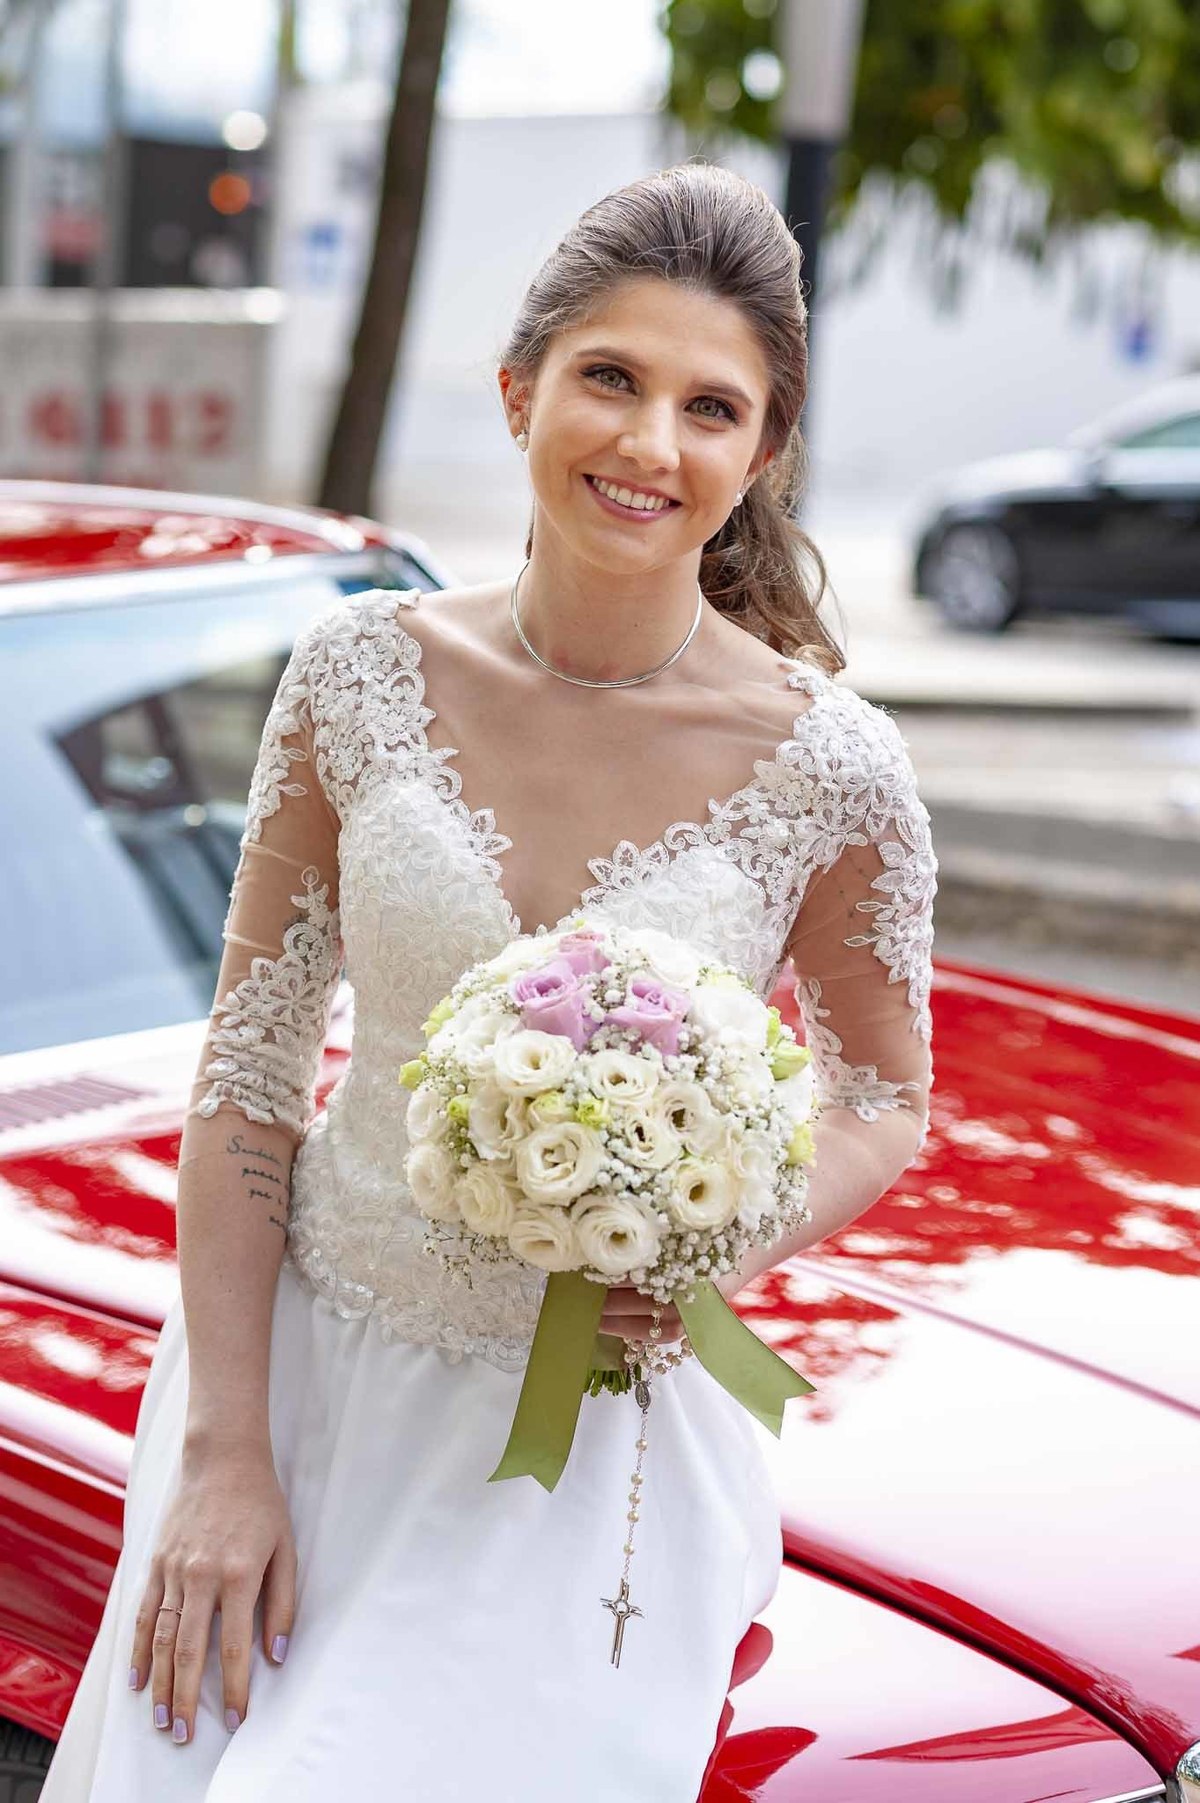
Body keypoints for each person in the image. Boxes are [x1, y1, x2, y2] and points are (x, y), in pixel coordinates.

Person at [41, 160, 936, 1801]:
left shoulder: (835, 772)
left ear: (763, 454)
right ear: (521, 387)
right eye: (610, 378)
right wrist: (229, 1458)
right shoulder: (354, 676)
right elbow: (248, 1079)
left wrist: (723, 1224)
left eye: (710, 407)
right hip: (298, 1395)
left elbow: (883, 1100)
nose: (650, 445)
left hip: (586, 1443)